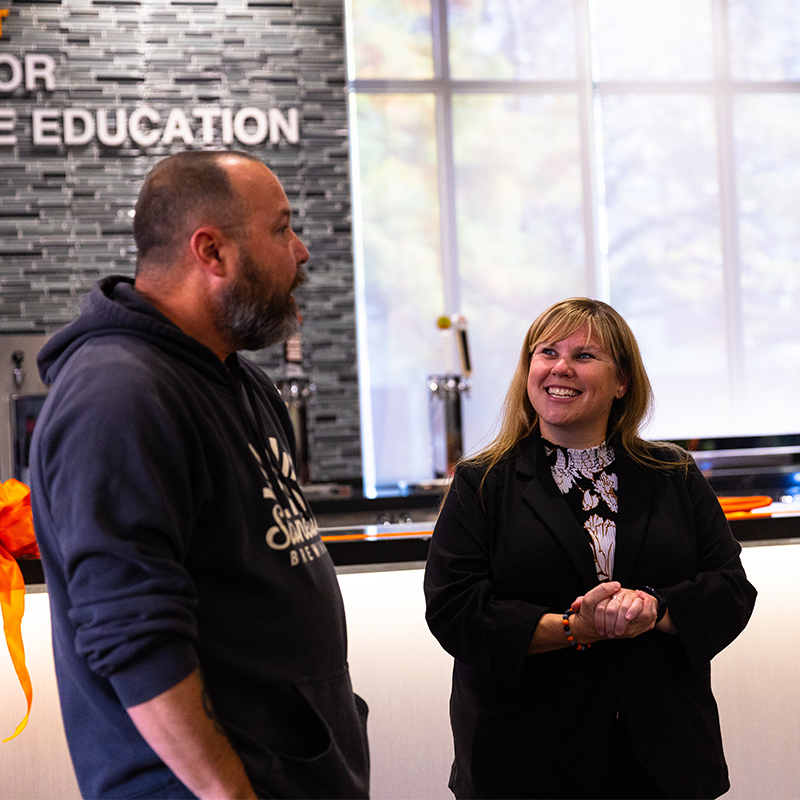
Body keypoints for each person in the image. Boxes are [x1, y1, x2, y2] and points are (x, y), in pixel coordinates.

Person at [30, 150, 370, 800]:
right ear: (212, 252)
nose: (300, 252)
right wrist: (230, 794)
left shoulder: (242, 382)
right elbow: (133, 633)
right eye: (281, 228)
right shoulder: (119, 396)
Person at [424, 297, 756, 800]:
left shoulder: (674, 473)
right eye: (547, 352)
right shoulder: (481, 482)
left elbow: (731, 589)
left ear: (621, 382)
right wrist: (574, 629)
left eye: (584, 356)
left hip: (664, 760)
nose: (560, 367)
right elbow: (456, 611)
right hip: (525, 763)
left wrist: (656, 610)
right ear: (528, 369)